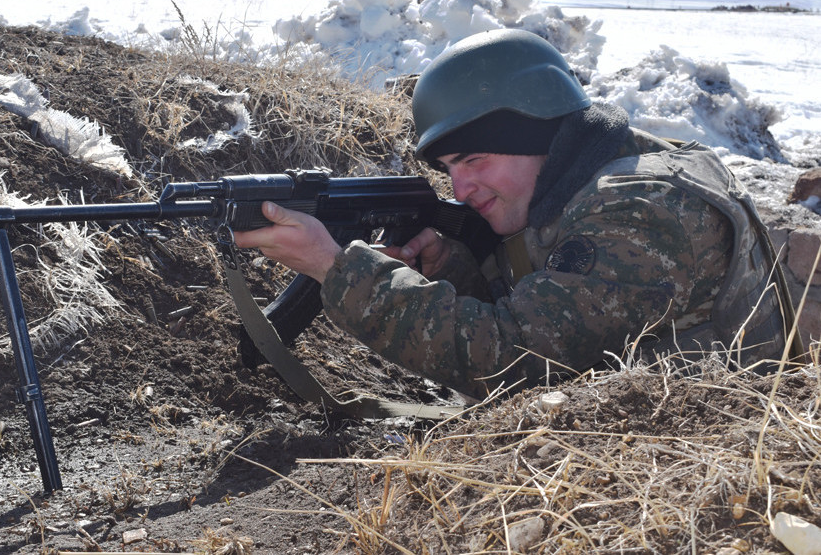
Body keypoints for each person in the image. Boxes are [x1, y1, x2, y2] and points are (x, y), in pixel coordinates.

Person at [234, 29, 797, 398]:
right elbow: (559, 311)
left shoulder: (640, 209)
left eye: (475, 158)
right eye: (450, 168)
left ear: (541, 133)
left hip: (699, 451)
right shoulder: (584, 173)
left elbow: (512, 360)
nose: (462, 186)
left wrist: (336, 269)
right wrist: (452, 270)